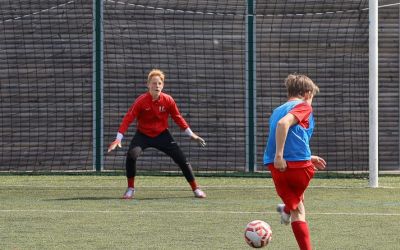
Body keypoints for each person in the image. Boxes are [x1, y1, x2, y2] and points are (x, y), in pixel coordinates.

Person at [108, 69, 207, 199]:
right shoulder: (141, 101)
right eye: (154, 83)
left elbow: (178, 117)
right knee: (131, 156)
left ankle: (196, 189)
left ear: (163, 85)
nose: (157, 86)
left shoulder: (168, 100)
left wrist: (191, 134)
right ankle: (130, 189)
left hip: (162, 135)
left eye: (159, 83)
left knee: (182, 159)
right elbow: (128, 118)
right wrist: (118, 138)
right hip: (143, 135)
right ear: (148, 85)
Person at [263, 74, 326, 250]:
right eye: (312, 96)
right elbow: (284, 125)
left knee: (297, 199)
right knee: (299, 210)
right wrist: (280, 155)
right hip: (294, 166)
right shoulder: (303, 106)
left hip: (275, 166)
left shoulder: (277, 110)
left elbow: (293, 136)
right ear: (307, 93)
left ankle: (286, 209)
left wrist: (308, 157)